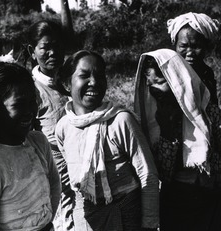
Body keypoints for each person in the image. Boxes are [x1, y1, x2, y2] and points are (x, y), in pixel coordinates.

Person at [55, 50, 159, 231]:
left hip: (126, 215)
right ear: (67, 83)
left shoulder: (121, 121)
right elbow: (72, 180)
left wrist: (149, 224)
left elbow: (147, 174)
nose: (94, 82)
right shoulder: (63, 127)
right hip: (86, 217)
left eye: (99, 75)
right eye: (84, 76)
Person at [0, 54, 61, 231]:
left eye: (32, 102)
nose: (29, 111)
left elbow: (54, 184)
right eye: (19, 104)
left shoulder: (38, 142)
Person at [134, 48, 221, 231]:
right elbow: (163, 172)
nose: (155, 89)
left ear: (177, 80)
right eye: (150, 84)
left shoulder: (206, 110)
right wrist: (167, 128)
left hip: (210, 196)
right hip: (176, 201)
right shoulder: (155, 120)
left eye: (160, 81)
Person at [27, 20, 74, 230]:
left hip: (80, 167)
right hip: (55, 175)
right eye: (46, 47)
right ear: (32, 51)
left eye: (57, 46)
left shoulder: (71, 79)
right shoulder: (31, 89)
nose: (53, 53)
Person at [167, 12, 220, 105]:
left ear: (205, 47)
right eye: (183, 46)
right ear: (175, 45)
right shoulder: (168, 74)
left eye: (196, 46)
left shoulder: (207, 74)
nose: (190, 52)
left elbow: (213, 107)